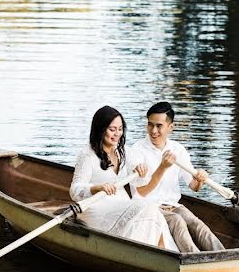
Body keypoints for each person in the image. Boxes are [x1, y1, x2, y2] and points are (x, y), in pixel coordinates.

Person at [70, 106, 178, 251]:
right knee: (145, 208)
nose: (117, 134)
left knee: (150, 210)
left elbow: (140, 183)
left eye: (120, 129)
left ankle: (161, 254)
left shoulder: (124, 151)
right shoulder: (87, 155)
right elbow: (75, 191)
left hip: (121, 204)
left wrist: (142, 172)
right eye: (112, 129)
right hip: (97, 208)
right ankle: (151, 255)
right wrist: (97, 187)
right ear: (101, 129)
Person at [129, 102, 225, 253]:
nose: (153, 131)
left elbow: (194, 187)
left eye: (159, 126)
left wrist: (199, 179)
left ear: (170, 127)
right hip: (148, 208)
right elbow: (140, 193)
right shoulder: (137, 150)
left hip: (173, 206)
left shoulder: (178, 150)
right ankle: (197, 260)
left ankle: (223, 255)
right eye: (150, 125)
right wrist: (162, 167)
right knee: (178, 222)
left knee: (197, 224)